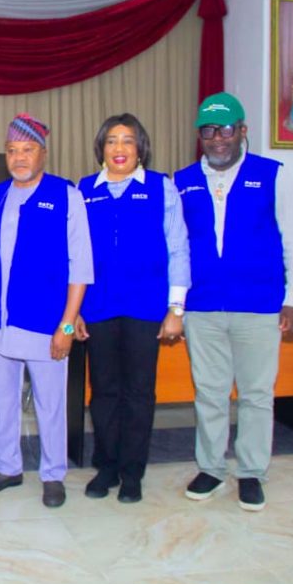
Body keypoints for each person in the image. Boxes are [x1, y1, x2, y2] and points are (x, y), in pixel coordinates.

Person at [175, 92, 293, 512]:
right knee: (210, 393)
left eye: (226, 130)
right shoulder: (181, 181)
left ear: (242, 131)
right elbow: (174, 247)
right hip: (203, 307)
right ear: (200, 135)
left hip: (259, 304)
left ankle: (251, 472)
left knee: (255, 394)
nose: (218, 139)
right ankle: (211, 467)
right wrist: (175, 305)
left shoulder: (273, 174)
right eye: (209, 131)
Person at [0, 113, 92, 508]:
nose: (19, 158)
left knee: (50, 402)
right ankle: (7, 467)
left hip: (46, 322)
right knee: (3, 400)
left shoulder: (66, 195)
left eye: (27, 150)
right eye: (12, 151)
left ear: (43, 153)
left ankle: (53, 473)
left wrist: (68, 325)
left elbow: (81, 265)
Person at [74, 113, 190, 504]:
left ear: (140, 147)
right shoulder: (84, 189)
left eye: (127, 140)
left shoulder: (162, 188)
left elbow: (178, 248)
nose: (119, 148)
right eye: (111, 141)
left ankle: (132, 472)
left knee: (139, 393)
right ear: (101, 148)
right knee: (104, 392)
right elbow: (73, 255)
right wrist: (73, 312)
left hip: (146, 308)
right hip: (98, 308)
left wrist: (176, 307)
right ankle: (106, 466)